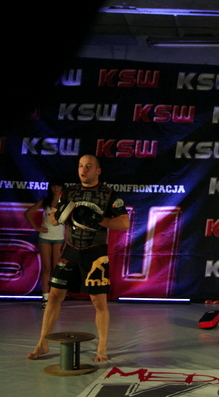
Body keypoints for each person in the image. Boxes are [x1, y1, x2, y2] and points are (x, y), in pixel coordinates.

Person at [27, 154, 130, 362]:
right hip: (71, 250)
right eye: (81, 165)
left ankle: (101, 348)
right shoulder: (69, 192)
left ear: (97, 171)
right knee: (54, 296)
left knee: (98, 301)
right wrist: (61, 215)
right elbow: (53, 221)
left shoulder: (109, 194)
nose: (84, 169)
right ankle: (42, 344)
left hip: (95, 252)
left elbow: (124, 223)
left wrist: (100, 220)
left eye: (89, 166)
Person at [23, 178, 65, 309]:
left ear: (62, 188)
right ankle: (45, 298)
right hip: (45, 237)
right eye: (53, 186)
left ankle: (54, 298)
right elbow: (27, 213)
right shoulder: (45, 201)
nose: (56, 189)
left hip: (59, 238)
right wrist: (37, 227)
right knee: (46, 268)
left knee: (56, 269)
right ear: (50, 188)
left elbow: (69, 224)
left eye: (58, 186)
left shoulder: (65, 202)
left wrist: (67, 240)